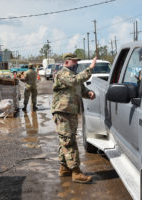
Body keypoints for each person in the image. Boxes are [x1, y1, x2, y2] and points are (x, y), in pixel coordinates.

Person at [51, 53, 97, 184]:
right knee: (68, 141)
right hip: (63, 112)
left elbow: (81, 88)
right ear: (67, 62)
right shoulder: (62, 74)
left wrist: (89, 93)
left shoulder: (73, 76)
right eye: (74, 62)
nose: (76, 64)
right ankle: (76, 172)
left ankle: (64, 168)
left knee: (66, 139)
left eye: (77, 62)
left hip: (71, 112)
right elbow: (74, 81)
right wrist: (90, 68)